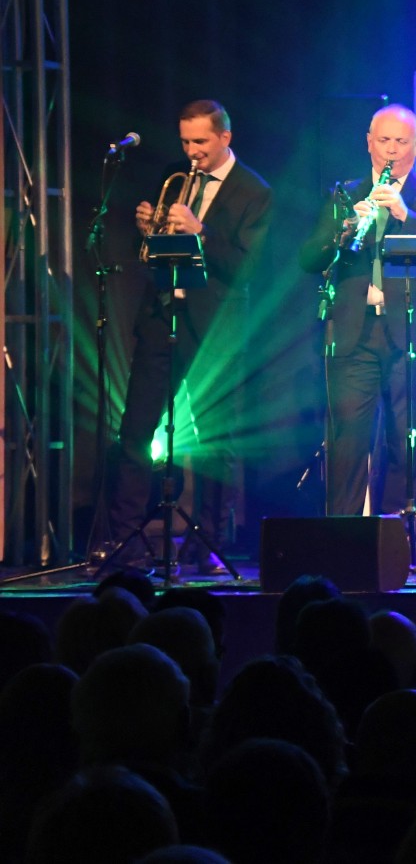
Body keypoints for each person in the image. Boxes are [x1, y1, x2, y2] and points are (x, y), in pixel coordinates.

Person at [108, 100, 272, 571]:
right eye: (185, 141)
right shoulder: (174, 176)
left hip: (215, 328)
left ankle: (207, 545)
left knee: (216, 441)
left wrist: (200, 232)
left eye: (200, 142)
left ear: (225, 138)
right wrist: (149, 230)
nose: (191, 152)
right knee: (135, 431)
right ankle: (126, 541)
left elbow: (247, 268)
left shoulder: (254, 191)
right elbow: (152, 253)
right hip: (162, 314)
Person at [298, 104, 416, 517]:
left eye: (401, 142)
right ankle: (344, 538)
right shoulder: (344, 193)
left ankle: (396, 535)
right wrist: (343, 230)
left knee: (404, 442)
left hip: (412, 334)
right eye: (383, 140)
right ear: (368, 142)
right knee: (347, 443)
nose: (391, 150)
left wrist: (405, 213)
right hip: (354, 332)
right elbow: (308, 259)